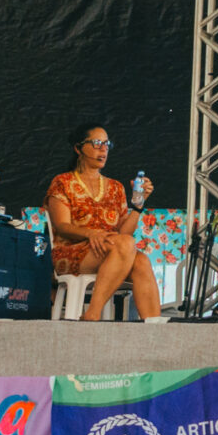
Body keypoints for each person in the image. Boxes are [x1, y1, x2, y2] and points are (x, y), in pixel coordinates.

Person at [46, 122, 161, 321]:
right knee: (124, 245)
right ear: (78, 148)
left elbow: (124, 234)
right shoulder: (63, 182)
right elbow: (61, 226)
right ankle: (93, 312)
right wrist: (91, 234)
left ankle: (154, 327)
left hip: (111, 249)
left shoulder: (115, 187)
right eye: (97, 143)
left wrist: (138, 205)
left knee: (141, 260)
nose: (103, 149)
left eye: (107, 144)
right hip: (72, 252)